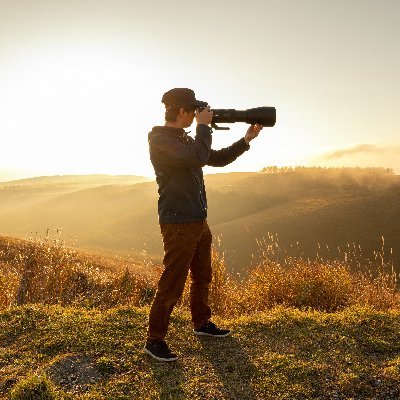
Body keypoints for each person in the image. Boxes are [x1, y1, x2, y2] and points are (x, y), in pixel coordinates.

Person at [144, 88, 263, 362]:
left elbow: (215, 158)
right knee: (173, 282)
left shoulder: (187, 139)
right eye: (194, 111)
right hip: (178, 223)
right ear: (182, 111)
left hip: (197, 220)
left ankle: (201, 324)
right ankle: (154, 340)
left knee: (202, 275)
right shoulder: (160, 140)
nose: (198, 115)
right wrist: (203, 128)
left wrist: (246, 140)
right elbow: (197, 157)